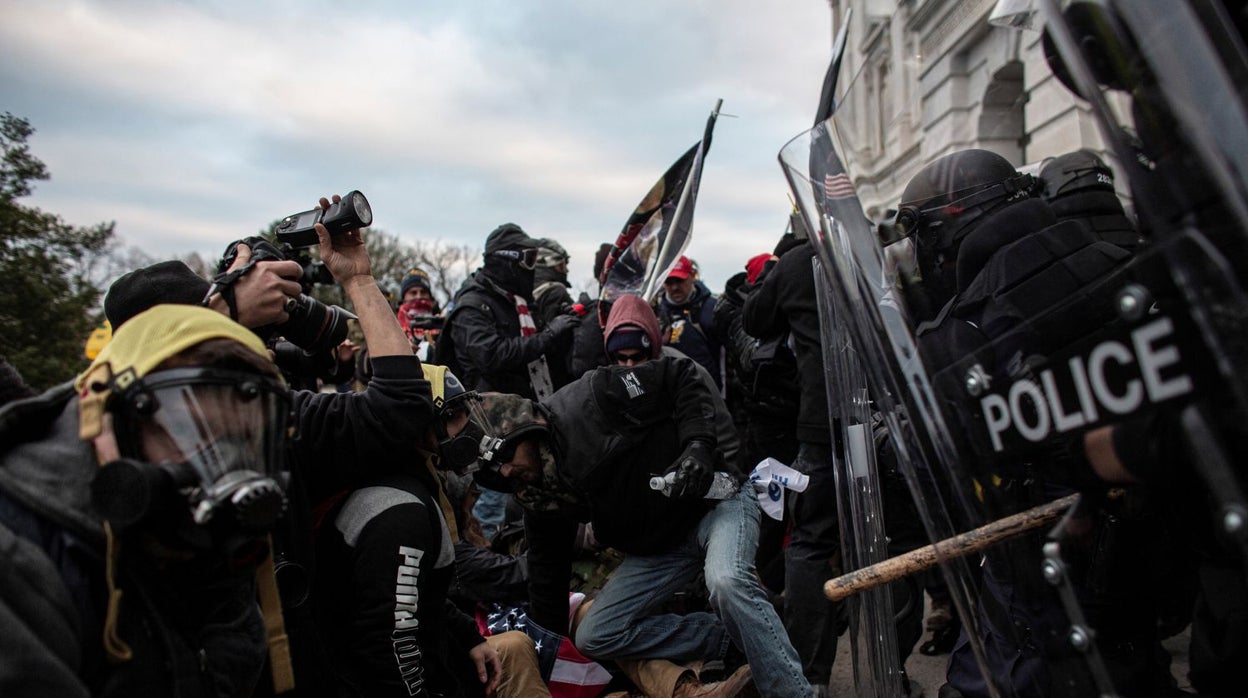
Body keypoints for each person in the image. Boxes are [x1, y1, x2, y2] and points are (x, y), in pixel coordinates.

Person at [99, 196, 438, 693]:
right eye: (216, 337)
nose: (252, 351)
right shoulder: (104, 448)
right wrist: (226, 311)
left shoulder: (277, 418)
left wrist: (358, 280)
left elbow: (402, 407)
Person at [472, 294, 812, 698]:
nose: (508, 471)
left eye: (508, 456)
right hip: (659, 547)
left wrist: (699, 447)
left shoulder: (595, 395)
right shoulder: (534, 494)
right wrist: (547, 652)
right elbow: (547, 572)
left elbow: (680, 376)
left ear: (526, 432)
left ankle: (795, 691)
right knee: (596, 633)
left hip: (715, 504)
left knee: (726, 582)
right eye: (499, 469)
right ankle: (733, 636)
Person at [0, 303, 294, 696]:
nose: (219, 472)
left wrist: (224, 573)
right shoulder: (21, 563)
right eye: (185, 435)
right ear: (100, 415)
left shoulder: (191, 546)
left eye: (240, 443)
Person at [313, 363, 542, 697]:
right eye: (454, 415)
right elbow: (390, 642)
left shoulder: (406, 484)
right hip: (375, 680)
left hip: (419, 656)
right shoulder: (402, 514)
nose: (467, 426)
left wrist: (468, 636)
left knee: (516, 647)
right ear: (414, 424)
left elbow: (422, 594)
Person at [741, 231, 845, 695]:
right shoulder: (869, 247)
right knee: (886, 538)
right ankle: (892, 673)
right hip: (884, 412)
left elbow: (756, 319)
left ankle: (807, 677)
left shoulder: (798, 261)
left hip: (823, 420)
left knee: (810, 544)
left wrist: (776, 274)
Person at [438, 223, 578, 543]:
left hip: (523, 420)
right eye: (526, 259)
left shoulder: (517, 301)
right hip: (487, 428)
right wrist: (550, 335)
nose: (531, 268)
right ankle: (490, 582)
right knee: (491, 507)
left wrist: (562, 333)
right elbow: (491, 355)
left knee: (534, 504)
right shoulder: (474, 304)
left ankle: (522, 577)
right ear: (507, 260)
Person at [656, 256, 726, 392]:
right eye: (670, 282)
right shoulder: (655, 313)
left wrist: (722, 396)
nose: (675, 287)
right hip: (672, 393)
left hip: (709, 391)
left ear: (692, 276)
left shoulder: (713, 309)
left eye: (680, 280)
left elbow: (725, 357)